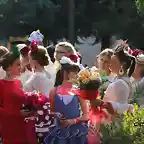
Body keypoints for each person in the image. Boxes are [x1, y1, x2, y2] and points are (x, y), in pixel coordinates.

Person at [44, 54, 88, 144]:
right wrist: (57, 115)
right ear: (65, 73)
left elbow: (87, 115)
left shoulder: (79, 92)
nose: (77, 75)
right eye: (74, 72)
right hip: (60, 131)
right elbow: (51, 111)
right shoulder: (54, 91)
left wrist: (73, 121)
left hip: (76, 132)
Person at [0, 46, 39, 144]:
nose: (21, 67)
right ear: (9, 66)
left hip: (24, 125)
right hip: (10, 127)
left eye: (21, 64)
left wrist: (32, 106)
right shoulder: (1, 84)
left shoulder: (18, 82)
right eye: (18, 65)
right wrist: (17, 113)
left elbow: (21, 101)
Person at [24, 41, 55, 143]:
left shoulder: (37, 77)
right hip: (48, 114)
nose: (29, 62)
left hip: (37, 116)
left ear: (35, 61)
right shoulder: (48, 74)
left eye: (30, 59)